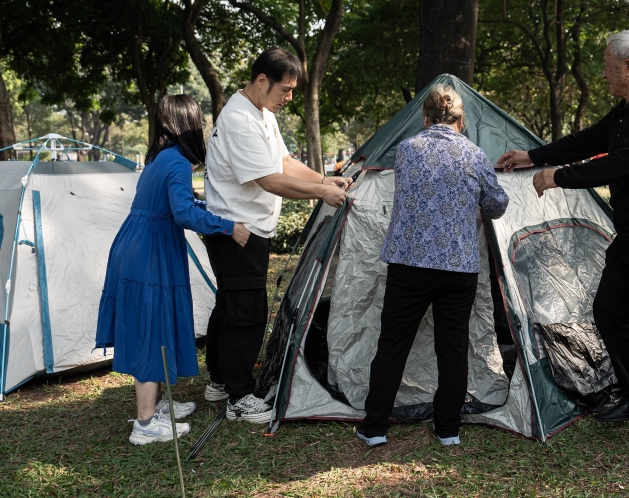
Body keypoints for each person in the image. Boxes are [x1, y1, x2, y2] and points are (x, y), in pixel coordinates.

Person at [497, 30, 629, 458]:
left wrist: (559, 177)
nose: (605, 74)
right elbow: (589, 141)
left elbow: (625, 163)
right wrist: (535, 157)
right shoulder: (628, 111)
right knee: (610, 311)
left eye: (609, 67)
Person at [203, 48, 352, 423]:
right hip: (238, 231)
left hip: (249, 228)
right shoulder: (239, 119)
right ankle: (239, 396)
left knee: (231, 306)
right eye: (285, 89)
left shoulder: (262, 114)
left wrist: (321, 178)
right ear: (261, 80)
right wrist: (322, 193)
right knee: (246, 314)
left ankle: (220, 380)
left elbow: (283, 163)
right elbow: (268, 179)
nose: (288, 98)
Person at [356, 85, 509, 448]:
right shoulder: (474, 154)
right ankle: (448, 428)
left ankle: (375, 426)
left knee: (393, 344)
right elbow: (497, 203)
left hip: (409, 264)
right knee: (452, 347)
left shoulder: (406, 150)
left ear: (424, 118)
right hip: (458, 267)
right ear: (461, 121)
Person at [95, 95, 251, 445]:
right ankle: (146, 424)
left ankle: (158, 405)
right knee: (150, 332)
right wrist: (230, 227)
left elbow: (176, 204)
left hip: (137, 244)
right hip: (148, 253)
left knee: (156, 324)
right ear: (189, 125)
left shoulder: (159, 158)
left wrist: (208, 206)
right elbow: (181, 213)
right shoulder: (177, 162)